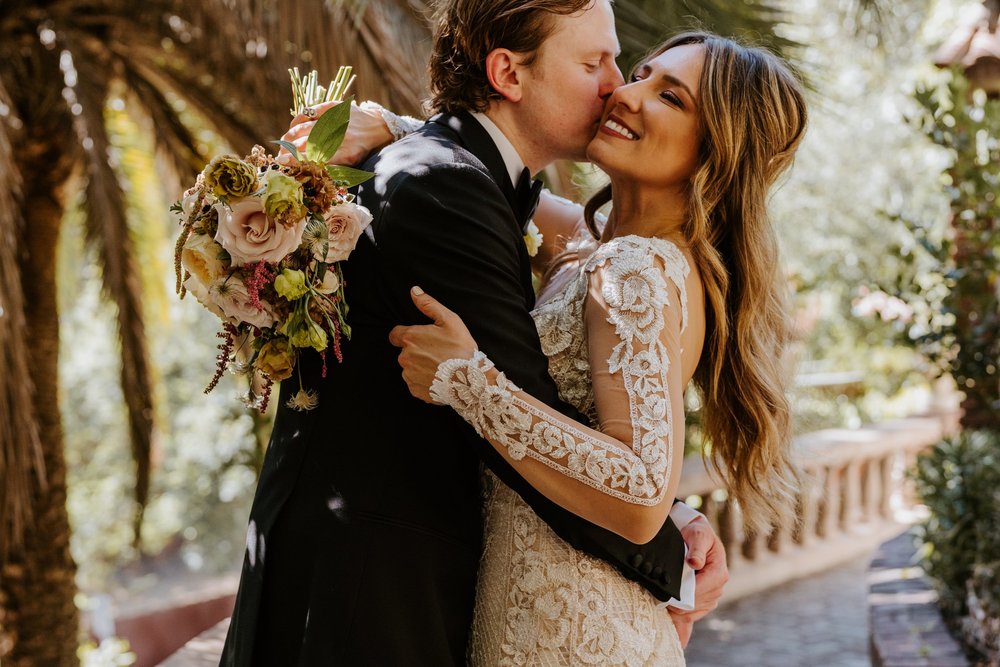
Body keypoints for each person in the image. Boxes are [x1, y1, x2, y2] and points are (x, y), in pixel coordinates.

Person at [221, 2, 728, 665]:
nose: (617, 88)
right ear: (508, 75)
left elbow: (543, 412)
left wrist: (671, 518)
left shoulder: (482, 186)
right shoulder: (448, 187)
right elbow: (531, 408)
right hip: (366, 601)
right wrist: (677, 558)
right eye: (596, 63)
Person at [385, 30, 807, 665]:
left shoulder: (636, 269)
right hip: (544, 614)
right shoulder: (598, 248)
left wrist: (468, 384)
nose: (626, 94)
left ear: (713, 152)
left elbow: (640, 495)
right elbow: (488, 183)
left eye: (671, 97)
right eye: (640, 74)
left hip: (576, 634)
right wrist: (391, 130)